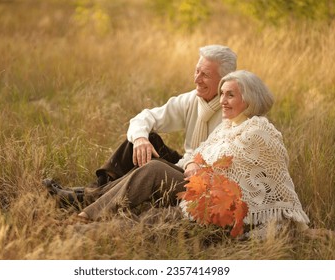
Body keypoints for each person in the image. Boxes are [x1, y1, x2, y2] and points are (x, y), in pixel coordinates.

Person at [76, 70, 310, 239]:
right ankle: (93, 205)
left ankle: (91, 214)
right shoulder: (228, 126)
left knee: (155, 172)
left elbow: (237, 174)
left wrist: (201, 169)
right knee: (154, 164)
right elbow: (198, 156)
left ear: (248, 99)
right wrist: (192, 167)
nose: (223, 101)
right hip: (197, 184)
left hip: (218, 198)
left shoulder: (259, 131)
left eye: (230, 95)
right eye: (222, 94)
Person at [44, 44, 237, 207]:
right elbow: (144, 118)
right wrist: (140, 138)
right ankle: (93, 191)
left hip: (202, 179)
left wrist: (191, 163)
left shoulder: (234, 111)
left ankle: (83, 198)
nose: (196, 79)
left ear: (224, 81)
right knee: (145, 139)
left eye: (205, 75)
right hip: (186, 164)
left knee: (153, 166)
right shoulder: (192, 100)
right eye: (197, 71)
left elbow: (223, 165)